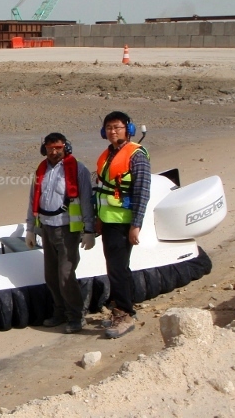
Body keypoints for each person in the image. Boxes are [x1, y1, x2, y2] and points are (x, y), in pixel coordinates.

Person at [25, 132, 96, 334]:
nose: (54, 152)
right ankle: (59, 312)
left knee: (65, 275)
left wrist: (89, 230)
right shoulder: (40, 171)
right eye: (50, 148)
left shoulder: (78, 170)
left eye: (58, 148)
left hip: (67, 230)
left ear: (66, 147)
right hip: (46, 228)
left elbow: (85, 201)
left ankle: (76, 316)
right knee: (51, 276)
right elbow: (33, 200)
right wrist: (30, 229)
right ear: (44, 149)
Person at [95, 111, 151, 339]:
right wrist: (98, 219)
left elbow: (142, 191)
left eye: (117, 127)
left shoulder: (136, 155)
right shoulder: (108, 155)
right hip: (108, 220)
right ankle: (127, 308)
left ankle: (124, 314)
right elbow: (101, 190)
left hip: (123, 222)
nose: (112, 131)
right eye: (108, 127)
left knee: (117, 270)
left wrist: (135, 225)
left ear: (128, 129)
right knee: (118, 267)